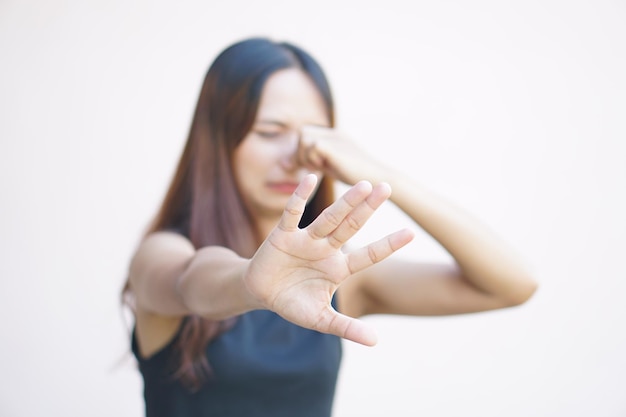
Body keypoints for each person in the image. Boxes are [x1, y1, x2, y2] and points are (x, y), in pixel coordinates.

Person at [121, 37, 538, 417]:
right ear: (218, 138)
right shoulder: (161, 252)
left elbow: (512, 283)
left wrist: (377, 172)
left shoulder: (331, 276)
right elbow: (190, 280)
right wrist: (250, 283)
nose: (297, 154)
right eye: (270, 131)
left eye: (314, 136)